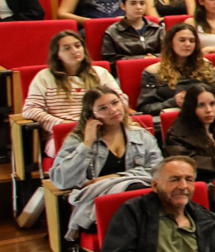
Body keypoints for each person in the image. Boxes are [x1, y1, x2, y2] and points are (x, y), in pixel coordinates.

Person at [50, 87, 162, 243]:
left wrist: (113, 178)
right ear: (91, 115)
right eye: (103, 108)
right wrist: (87, 143)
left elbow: (157, 173)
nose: (113, 110)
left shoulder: (142, 136)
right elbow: (61, 180)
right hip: (96, 209)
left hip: (138, 201)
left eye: (115, 103)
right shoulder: (78, 140)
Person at [22, 29, 122, 144]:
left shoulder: (100, 73)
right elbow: (30, 109)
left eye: (77, 46)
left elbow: (120, 99)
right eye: (67, 48)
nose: (75, 51)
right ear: (57, 54)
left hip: (102, 128)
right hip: (65, 134)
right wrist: (61, 124)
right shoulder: (44, 76)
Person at [139, 22, 215, 115]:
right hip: (173, 118)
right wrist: (172, 102)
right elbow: (146, 108)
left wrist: (200, 100)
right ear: (170, 42)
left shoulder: (205, 66)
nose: (187, 44)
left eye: (192, 41)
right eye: (182, 40)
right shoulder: (153, 72)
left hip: (205, 114)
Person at [100, 0, 164, 60]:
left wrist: (155, 57)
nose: (138, 7)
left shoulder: (157, 29)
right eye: (133, 3)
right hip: (126, 70)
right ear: (123, 6)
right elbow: (110, 59)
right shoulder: (112, 32)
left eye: (142, 3)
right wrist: (142, 58)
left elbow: (169, 53)